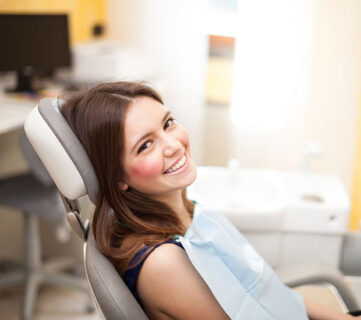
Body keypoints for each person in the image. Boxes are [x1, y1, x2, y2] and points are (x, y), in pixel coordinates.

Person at [60, 82, 360, 320]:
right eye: (146, 145)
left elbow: (270, 291)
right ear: (117, 177)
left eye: (168, 123)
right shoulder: (162, 262)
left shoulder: (191, 211)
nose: (174, 145)